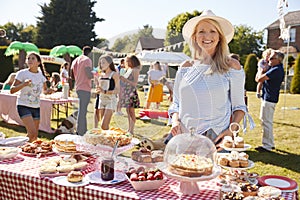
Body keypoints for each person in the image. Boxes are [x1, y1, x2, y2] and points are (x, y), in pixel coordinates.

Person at [167, 10, 253, 151]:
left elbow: (239, 107)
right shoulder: (185, 67)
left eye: (212, 31)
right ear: (194, 37)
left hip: (216, 138)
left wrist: (231, 130)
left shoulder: (231, 66)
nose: (207, 36)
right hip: (184, 137)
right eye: (201, 31)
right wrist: (175, 122)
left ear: (220, 37)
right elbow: (176, 103)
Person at [10, 53, 51, 142]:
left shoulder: (41, 76)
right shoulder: (22, 73)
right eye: (28, 58)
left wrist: (50, 91)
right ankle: (22, 151)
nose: (30, 60)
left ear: (38, 62)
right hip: (23, 106)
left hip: (36, 107)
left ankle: (27, 151)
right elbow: (12, 90)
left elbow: (45, 91)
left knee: (34, 136)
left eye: (33, 58)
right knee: (32, 132)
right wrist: (23, 84)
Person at [255, 50, 285, 152]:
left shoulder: (275, 70)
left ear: (278, 60)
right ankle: (270, 143)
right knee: (266, 121)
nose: (269, 60)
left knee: (266, 122)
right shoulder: (276, 68)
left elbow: (259, 79)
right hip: (269, 98)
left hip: (269, 99)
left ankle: (267, 145)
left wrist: (260, 69)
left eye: (272, 58)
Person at [71, 46, 94, 135]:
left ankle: (82, 129)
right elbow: (89, 74)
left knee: (82, 109)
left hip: (78, 86)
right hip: (85, 87)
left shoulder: (76, 60)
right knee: (83, 110)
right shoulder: (87, 60)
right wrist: (95, 74)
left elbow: (72, 75)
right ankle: (81, 131)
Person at [94, 55, 120, 129]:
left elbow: (117, 90)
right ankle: (107, 139)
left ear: (109, 63)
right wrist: (97, 88)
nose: (102, 65)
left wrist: (105, 91)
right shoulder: (100, 75)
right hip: (101, 100)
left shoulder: (114, 74)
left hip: (111, 100)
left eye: (104, 62)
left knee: (104, 125)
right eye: (101, 63)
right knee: (103, 126)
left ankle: (108, 138)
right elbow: (99, 88)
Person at [119, 55, 141, 134]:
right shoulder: (129, 69)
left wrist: (125, 80)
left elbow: (135, 83)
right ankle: (129, 129)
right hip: (127, 92)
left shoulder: (135, 70)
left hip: (131, 92)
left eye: (128, 61)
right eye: (126, 61)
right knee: (128, 111)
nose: (127, 63)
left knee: (131, 112)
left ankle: (132, 130)